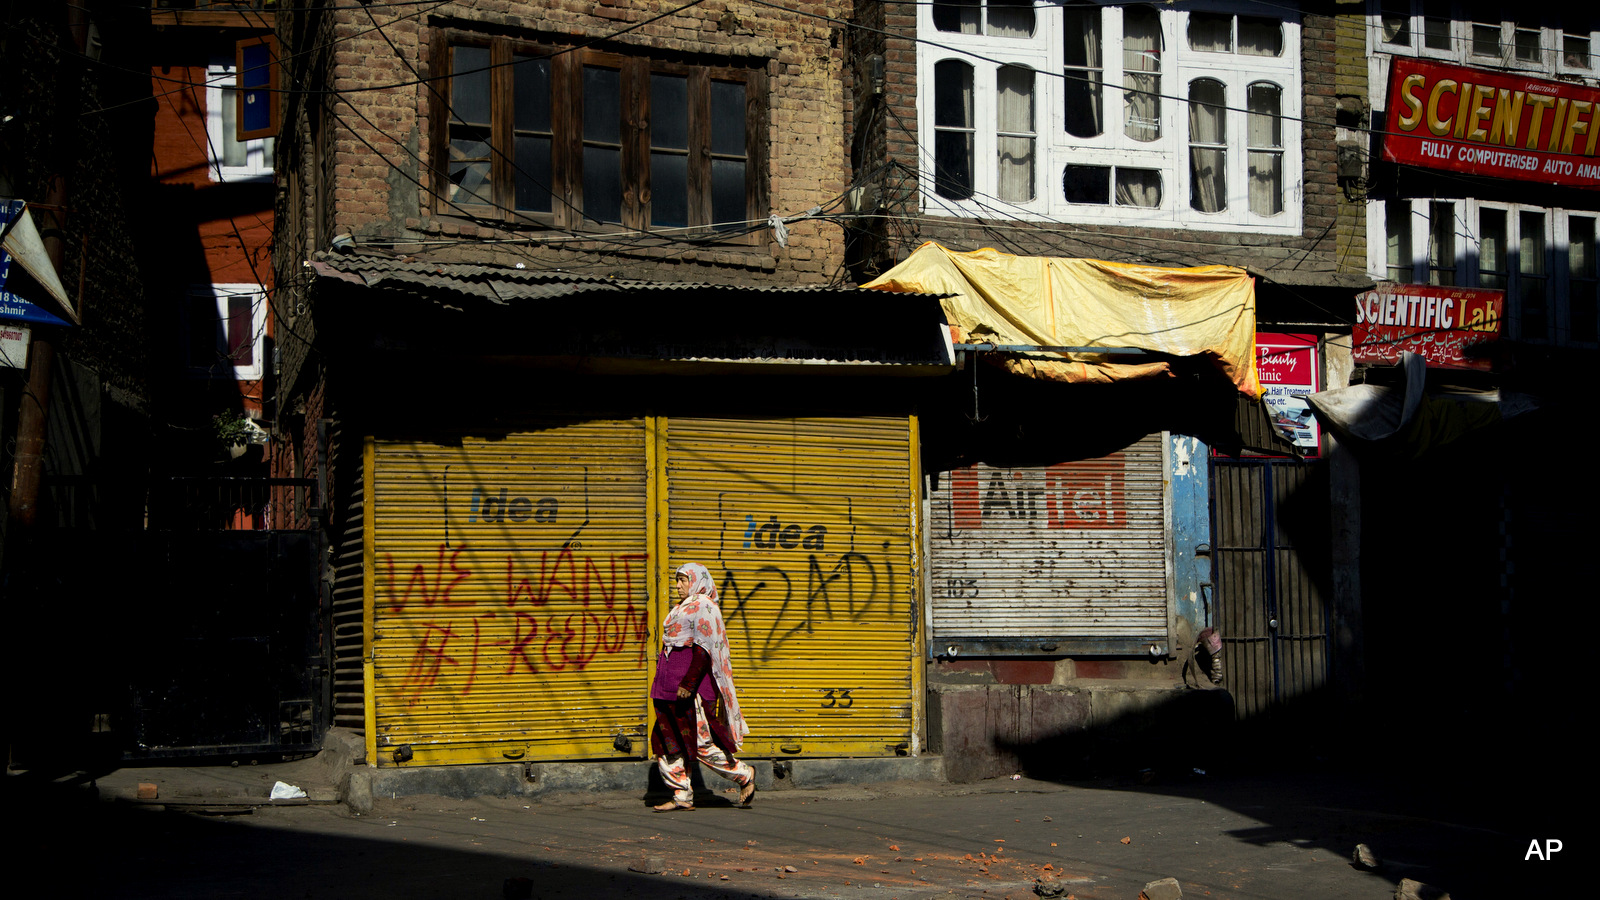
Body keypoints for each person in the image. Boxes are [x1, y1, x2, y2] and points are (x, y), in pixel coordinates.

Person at [649, 562, 755, 811]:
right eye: (678, 580)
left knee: (700, 744)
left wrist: (688, 683)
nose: (678, 586)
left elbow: (704, 649)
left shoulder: (704, 606)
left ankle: (744, 774)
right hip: (666, 688)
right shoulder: (680, 608)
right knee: (666, 744)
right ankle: (681, 796)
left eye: (683, 580)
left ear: (697, 581)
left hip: (688, 691)